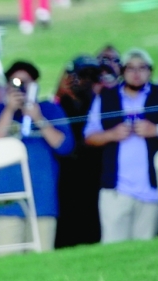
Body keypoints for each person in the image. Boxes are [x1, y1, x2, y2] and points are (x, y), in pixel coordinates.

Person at [84, 48, 158, 243]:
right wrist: (111, 135)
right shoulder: (106, 97)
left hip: (152, 188)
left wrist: (157, 130)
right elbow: (89, 137)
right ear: (122, 72)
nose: (136, 73)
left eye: (142, 68)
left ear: (150, 71)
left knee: (145, 249)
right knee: (113, 249)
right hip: (116, 190)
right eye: (130, 68)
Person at [0, 60, 73, 254]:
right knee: (7, 262)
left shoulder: (50, 109)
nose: (21, 88)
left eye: (25, 83)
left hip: (42, 201)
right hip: (6, 203)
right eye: (15, 83)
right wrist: (10, 109)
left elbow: (64, 146)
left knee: (42, 259)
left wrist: (38, 118)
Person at [55, 56, 104, 248]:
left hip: (94, 174)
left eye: (92, 76)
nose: (87, 81)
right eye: (82, 75)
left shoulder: (100, 103)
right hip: (67, 177)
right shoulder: (61, 105)